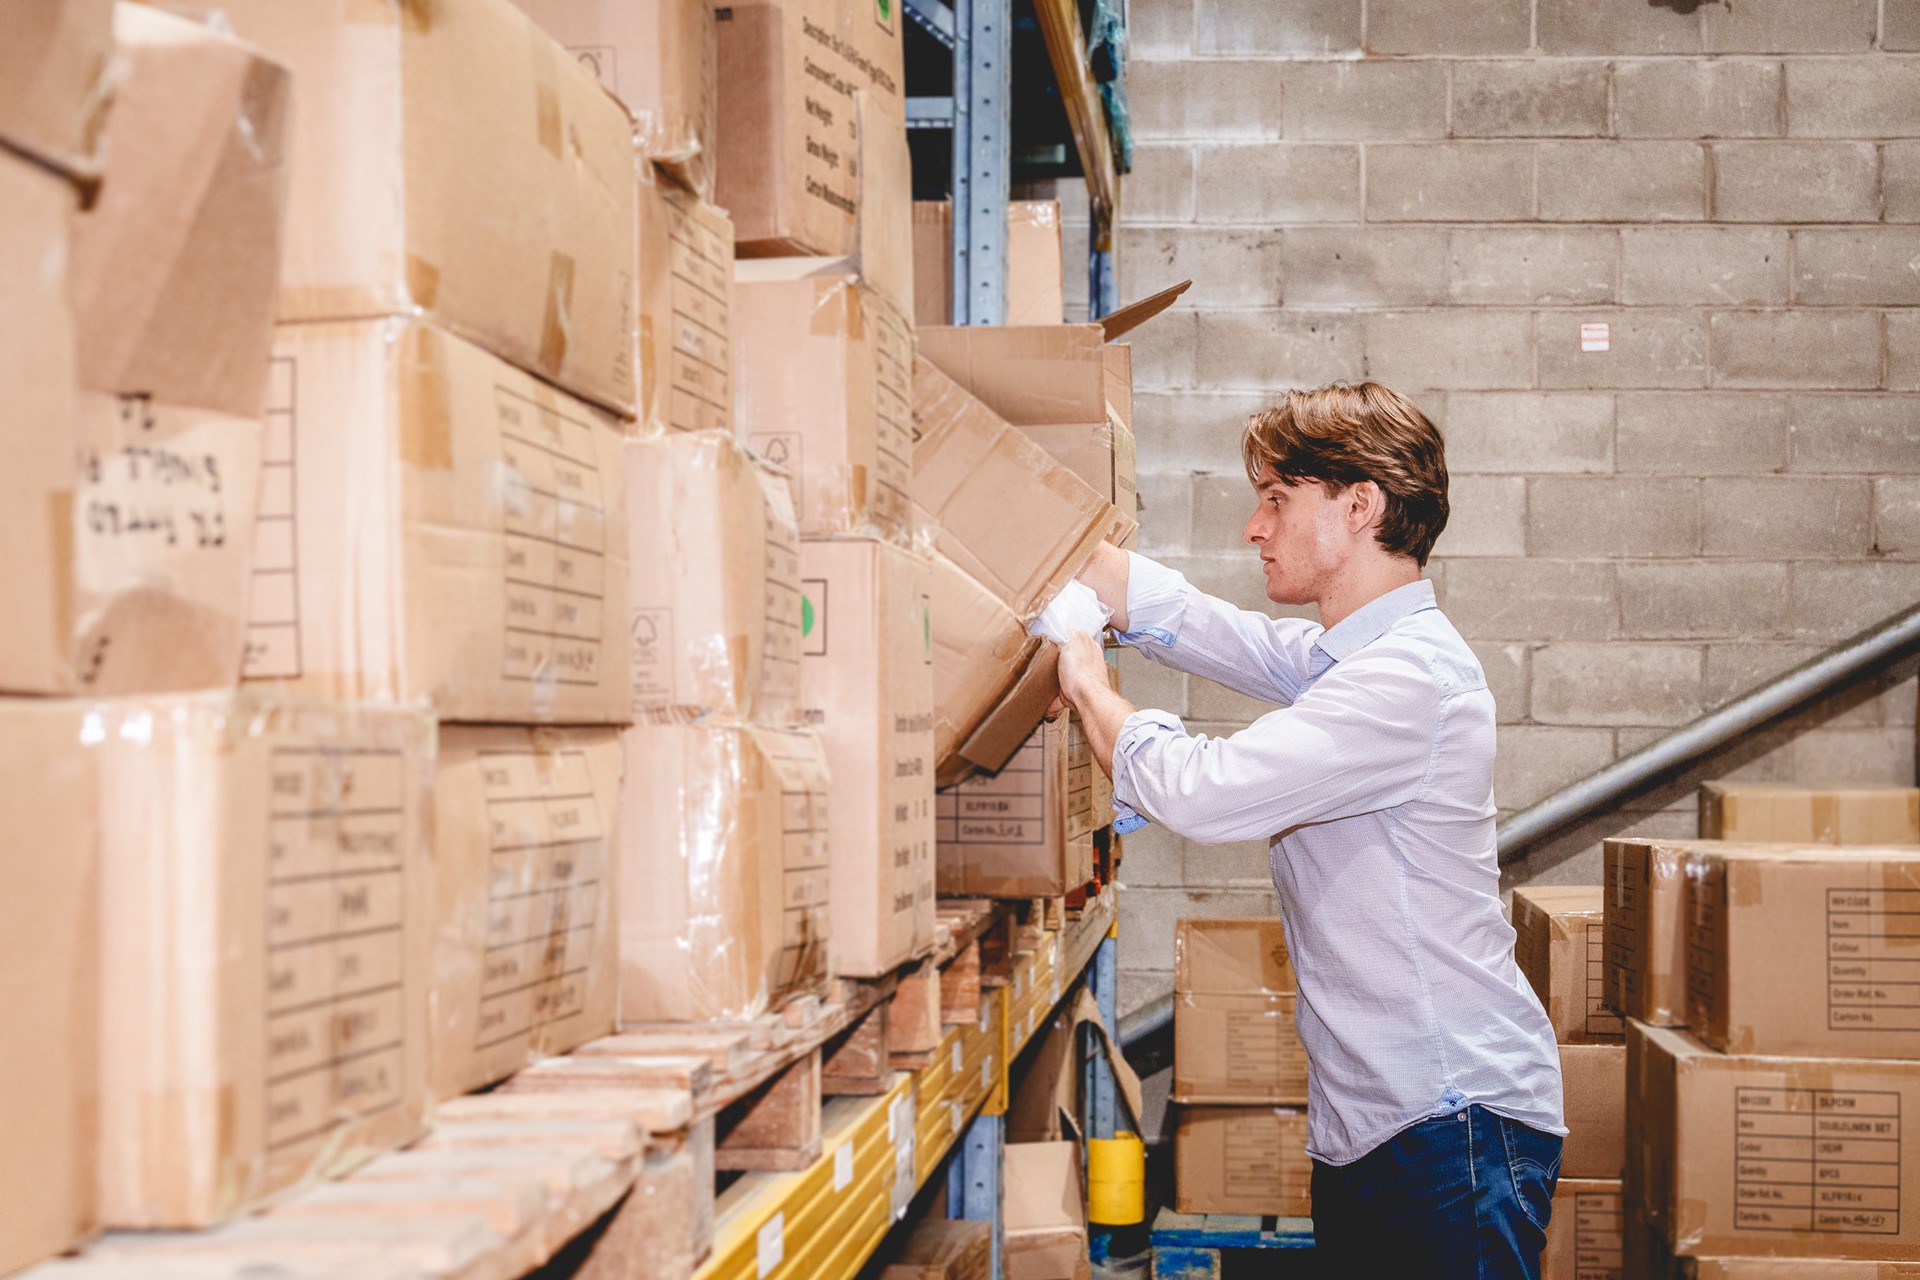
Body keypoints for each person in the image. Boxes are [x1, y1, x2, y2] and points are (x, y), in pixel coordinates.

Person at [1053, 381, 1565, 1278]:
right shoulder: (1354, 661)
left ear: (1361, 504)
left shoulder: (1405, 682)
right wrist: (1047, 542)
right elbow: (1210, 629)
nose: (1255, 527)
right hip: (1382, 1125)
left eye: (1278, 500)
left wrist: (1089, 679)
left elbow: (1203, 793)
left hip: (1449, 1125)